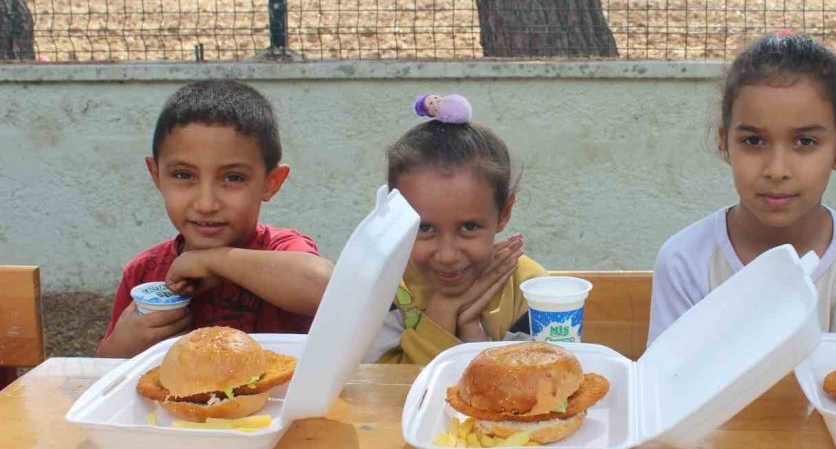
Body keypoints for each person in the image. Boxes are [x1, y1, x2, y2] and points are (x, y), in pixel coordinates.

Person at [648, 33, 836, 342]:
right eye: (753, 141)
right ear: (724, 143)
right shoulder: (686, 262)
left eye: (805, 142)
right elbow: (670, 382)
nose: (777, 170)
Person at [98, 80, 333, 358]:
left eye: (233, 178)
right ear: (156, 175)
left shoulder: (280, 250)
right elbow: (101, 374)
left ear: (271, 182)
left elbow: (325, 287)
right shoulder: (145, 272)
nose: (206, 204)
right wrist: (125, 343)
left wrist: (213, 261)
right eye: (183, 175)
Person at [370, 93, 546, 364]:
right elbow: (380, 392)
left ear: (505, 213)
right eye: (425, 228)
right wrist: (442, 311)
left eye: (469, 227)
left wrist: (471, 331)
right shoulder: (385, 286)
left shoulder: (530, 291)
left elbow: (533, 389)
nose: (447, 255)